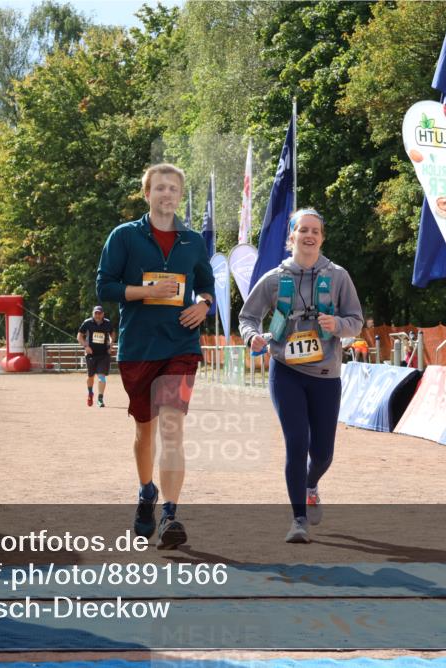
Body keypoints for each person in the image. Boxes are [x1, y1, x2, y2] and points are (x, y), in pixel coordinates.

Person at [96, 163, 215, 550]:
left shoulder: (194, 241)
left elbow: (206, 285)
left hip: (181, 346)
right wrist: (144, 292)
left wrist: (204, 305)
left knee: (171, 428)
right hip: (139, 348)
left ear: (180, 196)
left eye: (173, 189)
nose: (167, 194)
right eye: (159, 188)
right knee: (145, 429)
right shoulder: (124, 237)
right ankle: (146, 492)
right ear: (146, 194)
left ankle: (170, 514)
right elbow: (105, 287)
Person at [239, 208, 363, 543]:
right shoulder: (274, 279)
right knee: (297, 442)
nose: (309, 236)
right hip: (287, 371)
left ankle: (311, 484)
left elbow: (356, 320)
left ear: (322, 237)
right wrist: (254, 337)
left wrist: (337, 325)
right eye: (302, 230)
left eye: (315, 231)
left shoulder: (338, 277)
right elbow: (247, 317)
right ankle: (298, 519)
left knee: (322, 453)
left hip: (326, 373)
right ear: (291, 236)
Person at [77, 305, 114, 407]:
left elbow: (112, 334)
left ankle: (100, 399)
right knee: (90, 376)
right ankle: (90, 393)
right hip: (91, 355)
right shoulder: (87, 323)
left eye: (99, 313)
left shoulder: (107, 323)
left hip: (103, 354)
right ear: (93, 314)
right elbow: (79, 336)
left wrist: (111, 344)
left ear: (103, 314)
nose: (97, 315)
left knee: (101, 377)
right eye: (96, 313)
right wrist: (86, 346)